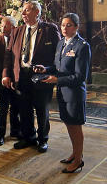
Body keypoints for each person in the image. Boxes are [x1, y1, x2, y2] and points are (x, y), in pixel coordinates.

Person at [35, 13, 91, 173]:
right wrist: (45, 69)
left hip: (74, 94)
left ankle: (79, 160)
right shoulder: (61, 43)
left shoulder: (82, 46)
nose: (65, 28)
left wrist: (57, 80)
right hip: (62, 92)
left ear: (77, 27)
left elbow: (80, 77)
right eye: (63, 25)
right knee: (69, 124)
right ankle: (74, 153)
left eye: (69, 25)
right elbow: (57, 67)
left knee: (75, 126)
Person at [2, 0, 60, 152]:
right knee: (24, 109)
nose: (23, 13)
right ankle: (29, 138)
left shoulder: (49, 30)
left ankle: (42, 140)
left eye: (27, 10)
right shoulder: (17, 31)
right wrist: (6, 74)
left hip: (41, 77)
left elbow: (58, 55)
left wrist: (49, 70)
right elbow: (8, 55)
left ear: (37, 12)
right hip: (21, 76)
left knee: (42, 110)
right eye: (23, 11)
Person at [0, 15, 21, 146]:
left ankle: (15, 131)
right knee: (3, 109)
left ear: (13, 27)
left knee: (15, 107)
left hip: (15, 81)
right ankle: (0, 134)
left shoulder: (19, 40)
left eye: (5, 25)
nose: (2, 27)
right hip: (1, 81)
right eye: (1, 25)